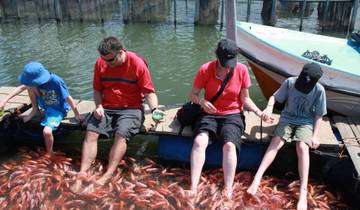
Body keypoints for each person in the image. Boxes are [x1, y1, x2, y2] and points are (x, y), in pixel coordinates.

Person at [188, 39, 272, 199]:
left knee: (229, 146)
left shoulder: (241, 70)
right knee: (199, 142)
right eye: (225, 62)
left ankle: (228, 188)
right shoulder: (205, 69)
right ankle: (193, 187)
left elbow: (245, 98)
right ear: (217, 57)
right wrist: (202, 102)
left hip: (232, 114)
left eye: (231, 62)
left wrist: (258, 112)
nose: (228, 66)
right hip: (209, 113)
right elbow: (192, 95)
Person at [76, 36, 164, 186]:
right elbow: (97, 90)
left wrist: (154, 109)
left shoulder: (137, 63)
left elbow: (149, 93)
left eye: (110, 61)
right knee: (91, 132)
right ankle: (82, 172)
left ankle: (108, 174)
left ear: (121, 52)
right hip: (107, 107)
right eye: (104, 60)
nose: (107, 64)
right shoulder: (101, 63)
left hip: (131, 108)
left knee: (121, 134)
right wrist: (98, 106)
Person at [246, 62, 327, 210]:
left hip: (305, 122)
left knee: (302, 147)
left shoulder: (319, 90)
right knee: (276, 141)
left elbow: (319, 115)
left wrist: (314, 136)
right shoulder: (290, 82)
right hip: (287, 118)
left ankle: (303, 190)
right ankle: (257, 178)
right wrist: (269, 108)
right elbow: (274, 98)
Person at [16, 62, 81, 154]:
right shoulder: (33, 84)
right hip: (45, 105)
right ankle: (35, 110)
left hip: (57, 109)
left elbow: (68, 97)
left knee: (46, 132)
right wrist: (4, 101)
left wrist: (77, 114)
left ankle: (49, 153)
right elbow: (21, 88)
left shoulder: (56, 81)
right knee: (29, 88)